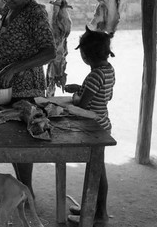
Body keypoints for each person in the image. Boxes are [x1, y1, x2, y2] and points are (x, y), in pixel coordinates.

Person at [0, 0, 56, 200]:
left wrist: (14, 68)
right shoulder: (9, 12)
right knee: (14, 144)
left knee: (23, 144)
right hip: (7, 89)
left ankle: (27, 192)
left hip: (25, 89)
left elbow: (50, 52)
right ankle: (23, 190)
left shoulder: (35, 12)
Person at [64, 27, 116, 226]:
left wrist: (76, 96)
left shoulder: (94, 75)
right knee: (96, 169)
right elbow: (104, 95)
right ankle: (91, 207)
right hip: (103, 120)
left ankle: (99, 214)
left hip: (94, 126)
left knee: (97, 171)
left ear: (86, 55)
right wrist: (81, 88)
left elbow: (82, 104)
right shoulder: (108, 70)